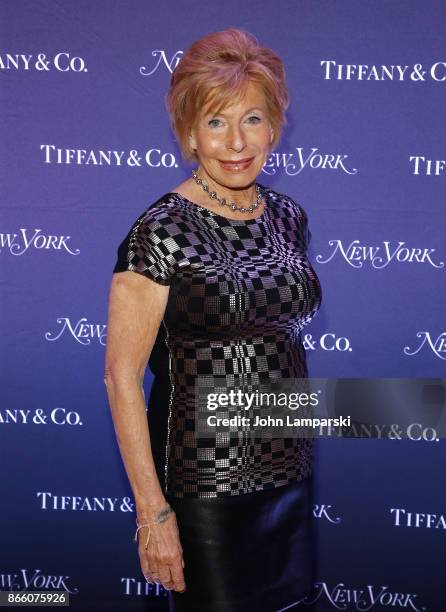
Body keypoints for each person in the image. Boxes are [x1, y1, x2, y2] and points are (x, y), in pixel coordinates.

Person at [104, 28, 322, 612]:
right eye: (216, 122)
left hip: (288, 467)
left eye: (252, 118)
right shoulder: (161, 231)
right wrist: (154, 515)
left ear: (274, 126)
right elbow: (122, 376)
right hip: (206, 481)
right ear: (189, 136)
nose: (236, 142)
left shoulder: (288, 217)